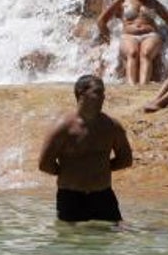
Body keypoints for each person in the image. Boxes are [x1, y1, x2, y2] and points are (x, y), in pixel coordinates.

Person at [37, 74, 133, 224]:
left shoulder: (112, 126)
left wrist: (100, 168)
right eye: (98, 92)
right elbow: (44, 164)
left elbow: (125, 160)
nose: (103, 97)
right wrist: (70, 172)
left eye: (103, 93)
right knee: (70, 243)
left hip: (103, 196)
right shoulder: (63, 127)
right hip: (70, 197)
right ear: (81, 93)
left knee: (110, 241)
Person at [97, 0, 168, 86]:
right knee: (132, 53)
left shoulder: (154, 3)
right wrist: (108, 40)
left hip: (151, 35)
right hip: (128, 35)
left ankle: (144, 86)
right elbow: (102, 20)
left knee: (146, 53)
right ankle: (131, 87)